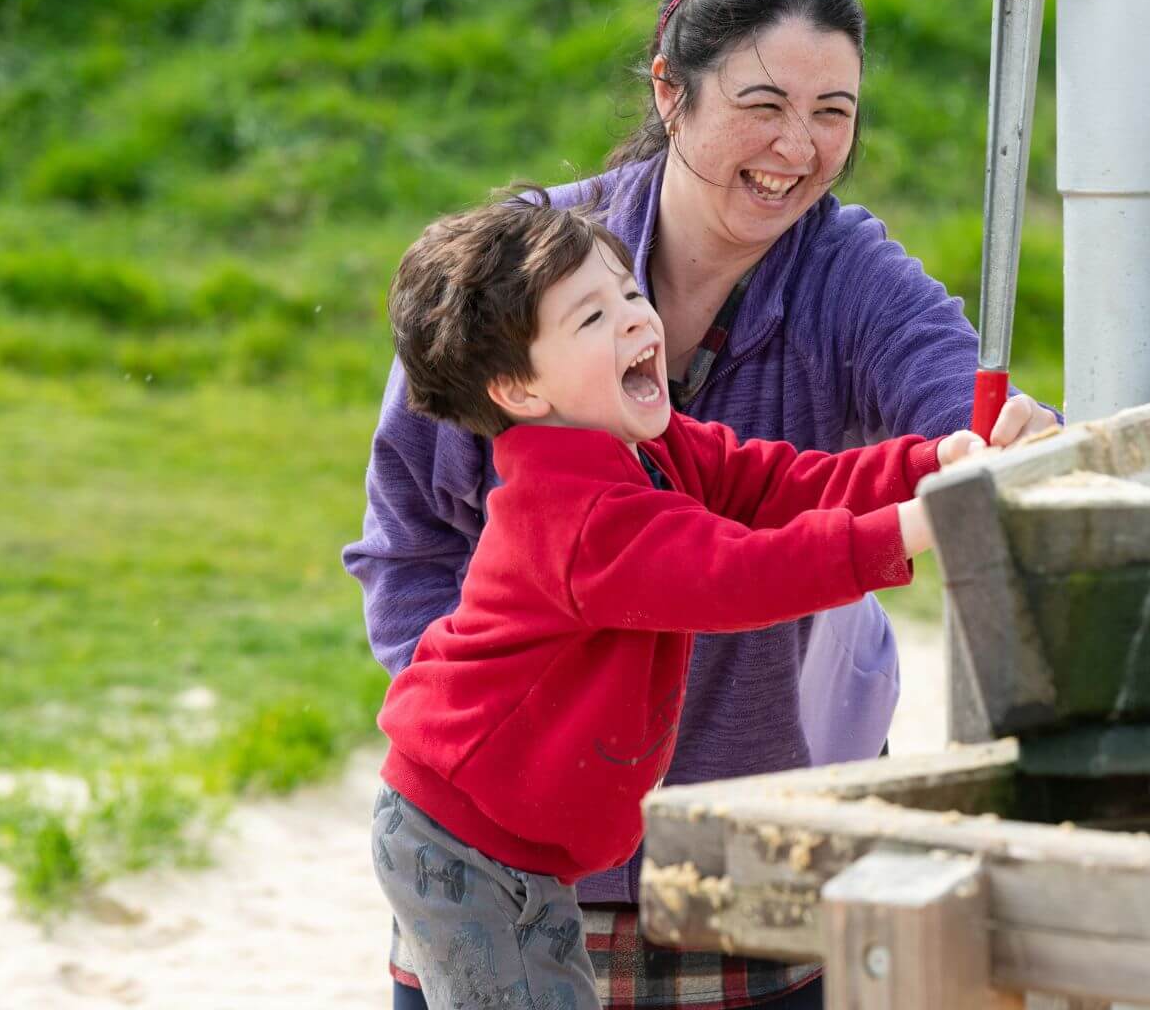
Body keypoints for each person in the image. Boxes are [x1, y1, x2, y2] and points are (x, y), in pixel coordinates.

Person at [343, 0, 1058, 1010]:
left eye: (834, 114)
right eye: (763, 105)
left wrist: (975, 445)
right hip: (508, 837)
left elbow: (797, 470)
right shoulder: (531, 274)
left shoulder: (836, 277)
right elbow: (412, 535)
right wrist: (506, 733)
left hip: (757, 798)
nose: (797, 148)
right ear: (672, 93)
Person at [371, 194, 989, 1010]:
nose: (635, 321)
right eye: (591, 319)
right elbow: (739, 576)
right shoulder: (575, 514)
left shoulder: (651, 448)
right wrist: (910, 527)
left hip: (516, 830)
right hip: (464, 839)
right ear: (519, 388)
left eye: (629, 293)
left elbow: (780, 484)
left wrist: (928, 464)